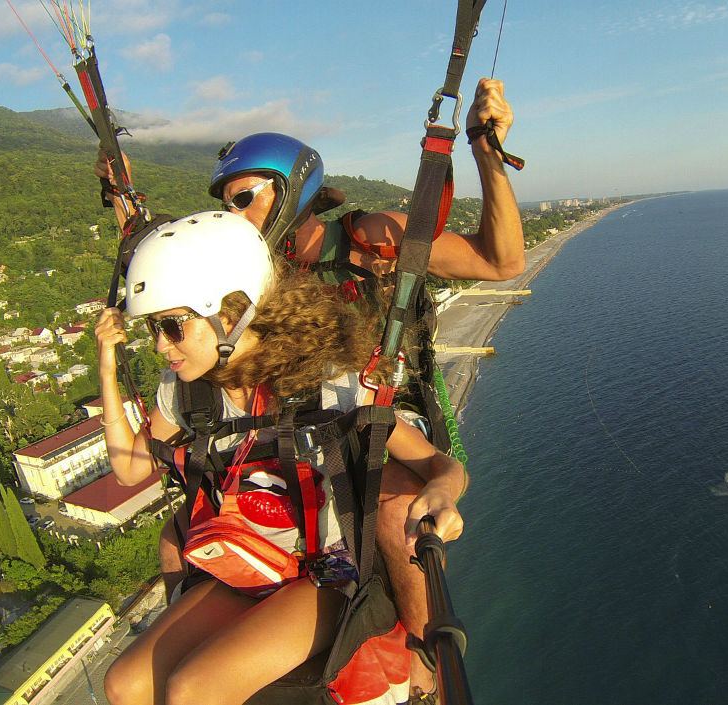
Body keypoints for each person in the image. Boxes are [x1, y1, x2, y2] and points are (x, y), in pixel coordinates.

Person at [98, 77, 520, 699]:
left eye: (243, 197)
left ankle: (425, 663)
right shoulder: (247, 275)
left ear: (291, 190)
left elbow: (499, 262)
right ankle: (219, 638)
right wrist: (124, 201)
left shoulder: (366, 238)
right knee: (176, 532)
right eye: (225, 203)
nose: (232, 215)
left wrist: (488, 158)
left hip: (370, 408)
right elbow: (179, 285)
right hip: (288, 417)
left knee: (395, 511)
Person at [97, 212, 466, 705]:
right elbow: (129, 468)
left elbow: (440, 466)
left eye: (173, 326)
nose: (162, 345)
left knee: (192, 691)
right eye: (154, 329)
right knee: (123, 684)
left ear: (231, 313)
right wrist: (106, 366)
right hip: (242, 562)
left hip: (320, 574)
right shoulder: (187, 392)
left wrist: (441, 493)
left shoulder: (329, 383)